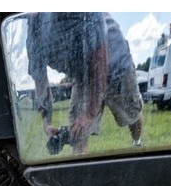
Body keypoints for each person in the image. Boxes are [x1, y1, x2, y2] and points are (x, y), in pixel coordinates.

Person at [26, 13, 143, 154]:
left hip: (116, 62)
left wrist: (89, 114)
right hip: (83, 73)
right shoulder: (34, 29)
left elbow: (99, 59)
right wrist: (47, 123)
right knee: (77, 129)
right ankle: (79, 166)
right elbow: (40, 81)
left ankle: (137, 143)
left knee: (131, 115)